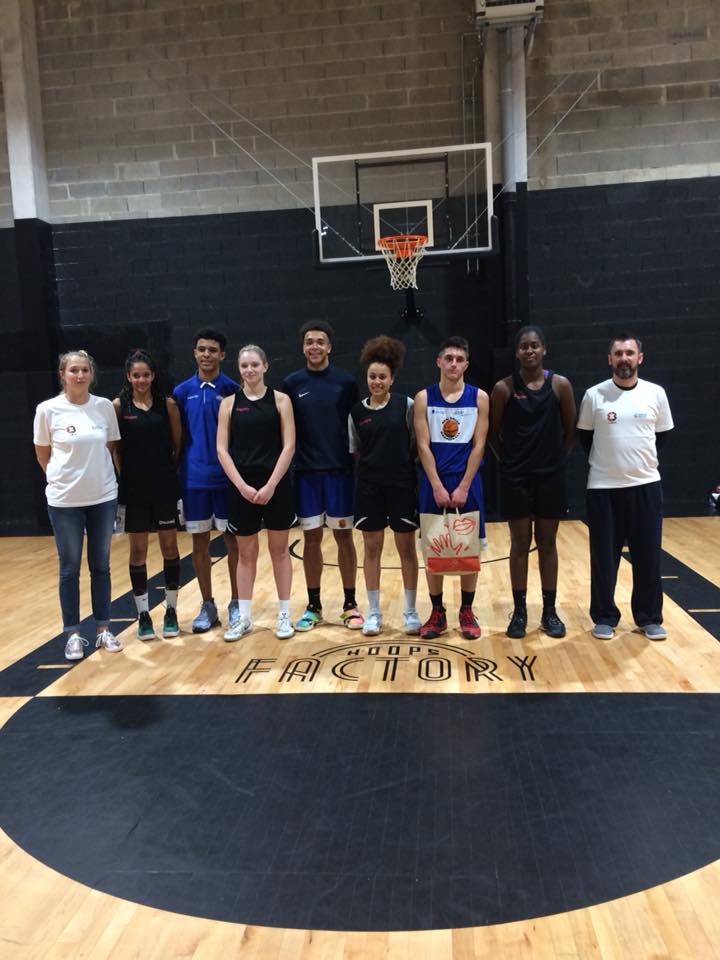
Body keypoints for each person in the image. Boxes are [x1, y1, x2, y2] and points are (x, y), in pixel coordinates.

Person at [577, 333, 673, 641]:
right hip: (603, 488)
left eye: (630, 353)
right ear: (609, 359)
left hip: (646, 486)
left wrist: (637, 465)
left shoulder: (656, 394)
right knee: (604, 557)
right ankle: (605, 616)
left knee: (648, 556)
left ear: (640, 358)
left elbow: (662, 437)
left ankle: (649, 617)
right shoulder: (594, 396)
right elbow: (585, 438)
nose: (624, 359)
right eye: (618, 353)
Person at [33, 350, 122, 660]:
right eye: (74, 370)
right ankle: (72, 634)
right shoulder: (48, 410)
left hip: (102, 498)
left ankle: (103, 630)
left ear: (91, 374)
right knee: (69, 568)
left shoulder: (104, 408)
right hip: (64, 501)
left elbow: (110, 447)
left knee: (101, 566)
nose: (80, 375)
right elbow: (43, 454)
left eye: (84, 370)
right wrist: (63, 481)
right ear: (63, 374)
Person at [489, 326, 576, 639]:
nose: (529, 351)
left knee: (548, 542)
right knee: (520, 542)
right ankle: (520, 611)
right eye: (524, 346)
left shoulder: (560, 386)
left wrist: (554, 461)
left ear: (544, 349)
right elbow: (493, 435)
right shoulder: (503, 388)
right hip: (516, 477)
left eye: (534, 345)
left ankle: (549, 611)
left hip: (550, 476)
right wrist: (511, 464)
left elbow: (570, 432)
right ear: (517, 352)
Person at [280, 320, 364, 632]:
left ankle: (350, 603)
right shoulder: (291, 383)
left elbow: (357, 426)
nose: (314, 346)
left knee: (344, 537)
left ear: (329, 347)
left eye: (320, 341)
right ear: (303, 348)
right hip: (306, 474)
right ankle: (313, 605)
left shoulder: (346, 382)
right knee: (311, 538)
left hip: (340, 472)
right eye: (309, 342)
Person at [217, 345, 296, 641]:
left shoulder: (281, 400)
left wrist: (271, 484)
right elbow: (221, 449)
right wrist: (242, 486)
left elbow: (289, 446)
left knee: (279, 551)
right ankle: (245, 618)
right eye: (244, 366)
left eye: (254, 365)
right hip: (242, 487)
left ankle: (284, 614)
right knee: (246, 554)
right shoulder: (227, 404)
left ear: (265, 366)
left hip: (275, 485)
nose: (249, 370)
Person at [414, 336, 489, 640]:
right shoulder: (424, 398)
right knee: (435, 548)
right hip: (433, 481)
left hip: (467, 482)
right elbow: (422, 444)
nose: (454, 364)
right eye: (449, 358)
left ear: (466, 365)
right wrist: (435, 484)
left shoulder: (479, 397)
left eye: (459, 359)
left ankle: (466, 611)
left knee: (468, 548)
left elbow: (479, 444)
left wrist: (464, 485)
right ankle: (437, 612)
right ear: (439, 362)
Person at [349, 336, 420, 637]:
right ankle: (374, 612)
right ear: (366, 378)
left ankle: (410, 611)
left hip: (402, 486)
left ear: (392, 379)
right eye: (372, 377)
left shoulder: (407, 405)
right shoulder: (356, 413)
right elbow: (355, 451)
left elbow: (416, 445)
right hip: (369, 488)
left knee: (406, 549)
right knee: (372, 548)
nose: (377, 381)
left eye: (382, 377)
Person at [173, 329, 240, 633]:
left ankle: (238, 602)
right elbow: (177, 437)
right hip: (194, 481)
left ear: (222, 355)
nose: (206, 354)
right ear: (194, 353)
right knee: (199, 543)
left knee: (233, 542)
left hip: (226, 480)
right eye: (201, 349)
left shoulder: (233, 390)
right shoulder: (181, 392)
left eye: (213, 350)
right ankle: (208, 604)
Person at [113, 349, 183, 640]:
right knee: (138, 551)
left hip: (164, 486)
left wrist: (167, 472)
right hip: (134, 489)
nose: (141, 379)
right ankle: (143, 614)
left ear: (153, 376)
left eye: (146, 374)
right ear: (129, 377)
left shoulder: (167, 405)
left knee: (170, 548)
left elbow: (178, 445)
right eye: (136, 375)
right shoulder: (119, 406)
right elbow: (115, 448)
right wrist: (126, 478)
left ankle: (171, 610)